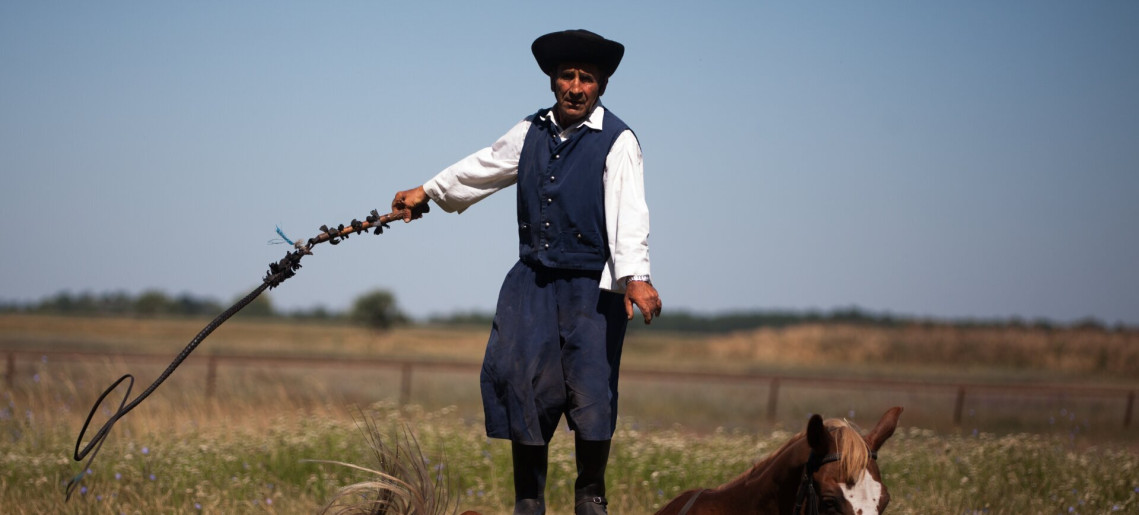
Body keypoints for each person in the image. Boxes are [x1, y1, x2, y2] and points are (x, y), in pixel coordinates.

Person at [391, 29, 662, 515]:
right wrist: (428, 191)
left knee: (592, 391)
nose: (575, 88)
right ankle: (528, 502)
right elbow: (484, 166)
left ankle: (590, 498)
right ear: (552, 80)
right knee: (524, 385)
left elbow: (630, 211)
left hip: (591, 291)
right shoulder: (531, 131)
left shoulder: (617, 140)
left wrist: (636, 276)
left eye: (586, 78)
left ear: (601, 85)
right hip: (533, 284)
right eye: (567, 76)